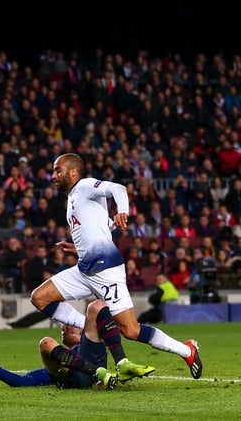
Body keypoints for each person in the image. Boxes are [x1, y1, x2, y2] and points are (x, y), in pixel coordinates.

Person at [30, 153, 203, 379]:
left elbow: (118, 189)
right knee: (39, 297)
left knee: (130, 330)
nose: (54, 176)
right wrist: (79, 247)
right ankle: (86, 326)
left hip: (106, 271)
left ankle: (187, 350)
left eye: (58, 170)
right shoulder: (73, 197)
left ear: (73, 172)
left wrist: (123, 210)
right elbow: (100, 224)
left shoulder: (84, 186)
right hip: (84, 269)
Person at [0, 300, 149, 389]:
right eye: (62, 325)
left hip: (90, 361)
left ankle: (122, 362)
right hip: (73, 376)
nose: (63, 326)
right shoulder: (60, 358)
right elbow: (20, 381)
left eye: (68, 323)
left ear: (82, 329)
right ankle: (98, 373)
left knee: (96, 306)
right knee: (45, 343)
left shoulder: (92, 342)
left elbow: (104, 319)